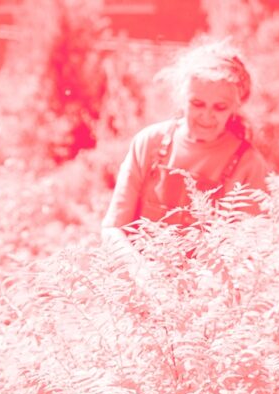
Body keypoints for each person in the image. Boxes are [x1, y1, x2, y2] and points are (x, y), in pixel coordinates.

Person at [103, 40, 269, 246]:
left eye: (220, 107)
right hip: (138, 273)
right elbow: (113, 230)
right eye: (197, 104)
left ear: (237, 106)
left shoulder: (248, 164)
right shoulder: (149, 143)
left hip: (206, 278)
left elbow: (247, 252)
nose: (206, 116)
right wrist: (140, 273)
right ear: (182, 97)